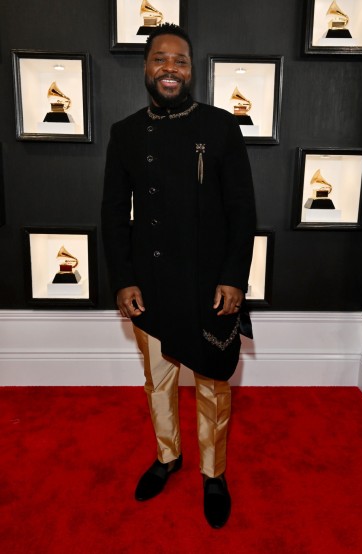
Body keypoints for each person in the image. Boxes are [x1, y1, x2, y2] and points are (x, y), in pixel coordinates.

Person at [101, 23, 256, 529]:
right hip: (151, 284)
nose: (170, 68)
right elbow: (111, 214)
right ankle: (168, 457)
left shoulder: (220, 127)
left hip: (211, 283)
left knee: (213, 383)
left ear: (192, 71)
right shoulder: (124, 134)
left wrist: (234, 276)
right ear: (146, 67)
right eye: (160, 59)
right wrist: (124, 279)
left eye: (181, 61)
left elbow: (242, 209)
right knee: (158, 381)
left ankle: (214, 472)